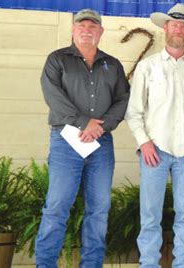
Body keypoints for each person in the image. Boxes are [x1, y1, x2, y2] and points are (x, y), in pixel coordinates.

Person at [36, 9, 130, 267]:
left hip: (101, 143)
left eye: (93, 26)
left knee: (99, 210)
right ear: (73, 30)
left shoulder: (113, 64)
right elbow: (53, 96)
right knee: (57, 207)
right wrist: (83, 122)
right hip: (66, 140)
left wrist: (102, 126)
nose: (87, 29)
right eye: (82, 25)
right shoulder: (57, 60)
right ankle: (45, 264)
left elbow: (123, 98)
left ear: (100, 31)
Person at [124, 3, 184, 267]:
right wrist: (144, 142)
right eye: (175, 24)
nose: (179, 29)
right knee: (150, 215)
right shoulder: (147, 67)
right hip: (154, 150)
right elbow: (134, 111)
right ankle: (149, 264)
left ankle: (183, 263)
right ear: (166, 28)